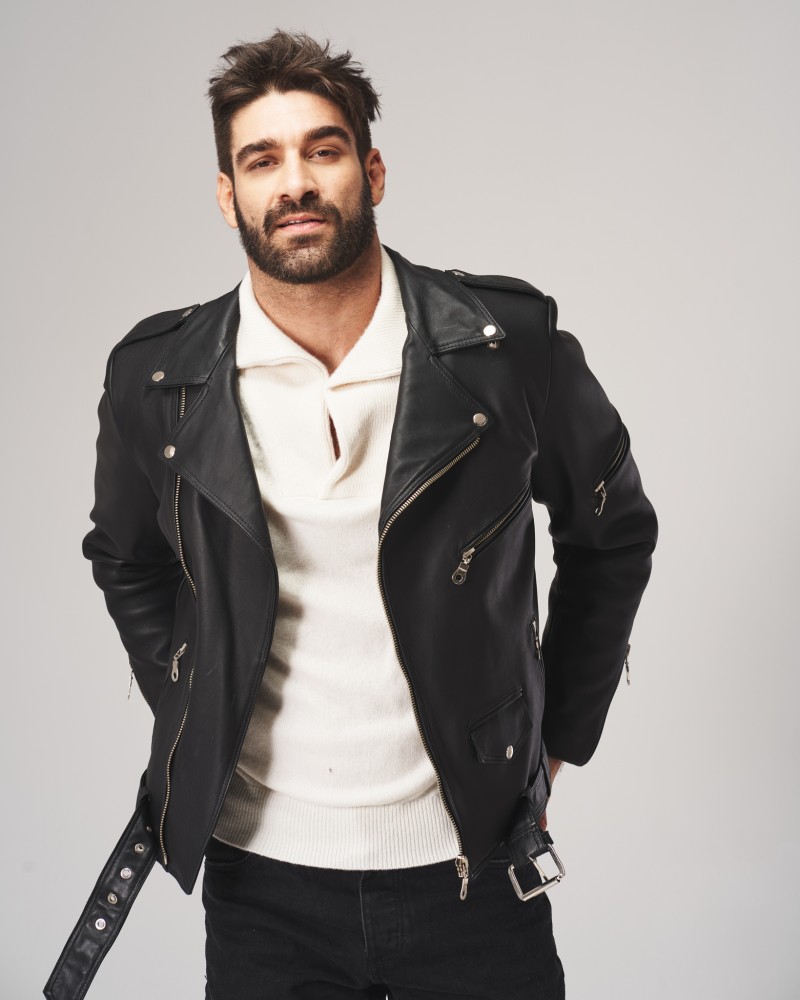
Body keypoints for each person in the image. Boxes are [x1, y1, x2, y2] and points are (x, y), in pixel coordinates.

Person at [45, 29, 657, 1000]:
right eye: (262, 160)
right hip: (260, 886)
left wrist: (551, 740)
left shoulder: (506, 347)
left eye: (321, 150)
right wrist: (197, 702)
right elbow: (125, 557)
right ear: (227, 195)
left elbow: (612, 532)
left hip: (475, 864)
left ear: (371, 171)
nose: (294, 183)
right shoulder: (158, 380)